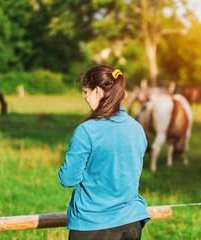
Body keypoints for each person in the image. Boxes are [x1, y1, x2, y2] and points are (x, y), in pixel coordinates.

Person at [58, 65, 150, 240]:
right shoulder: (137, 129)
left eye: (86, 92)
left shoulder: (86, 131)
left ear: (98, 92)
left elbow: (68, 179)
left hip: (92, 224)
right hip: (131, 222)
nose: (86, 98)